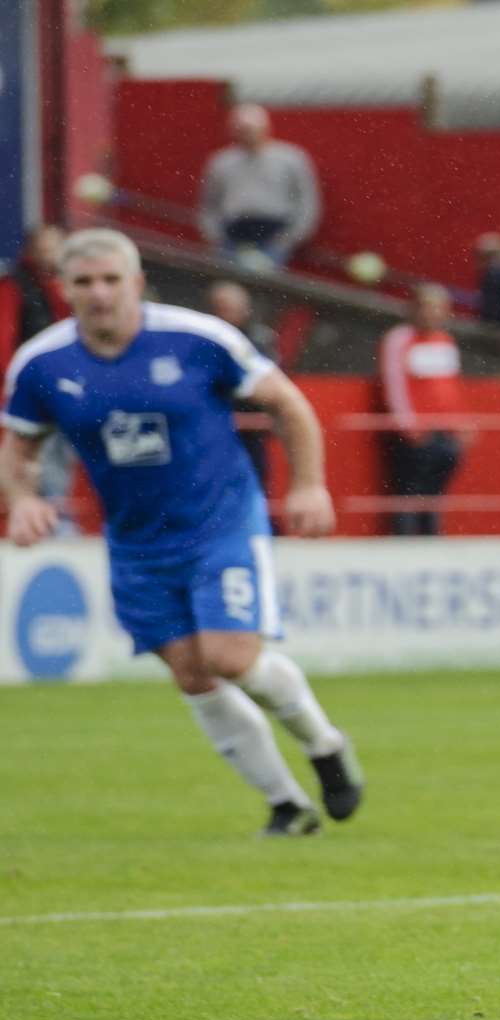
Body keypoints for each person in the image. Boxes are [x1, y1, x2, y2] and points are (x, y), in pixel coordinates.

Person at [1, 229, 363, 837]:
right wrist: (25, 497)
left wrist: (308, 484)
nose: (99, 293)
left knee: (230, 658)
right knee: (193, 674)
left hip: (220, 523)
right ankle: (288, 806)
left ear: (137, 283)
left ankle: (324, 743)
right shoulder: (42, 363)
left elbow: (288, 403)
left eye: (111, 280)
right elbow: (21, 443)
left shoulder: (197, 339)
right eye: (84, 282)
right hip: (137, 540)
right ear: (64, 289)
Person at [1, 225, 78, 533]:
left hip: (67, 393)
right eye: (46, 247)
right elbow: (5, 341)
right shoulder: (15, 286)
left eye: (57, 247)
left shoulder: (65, 286)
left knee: (62, 463)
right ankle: (50, 527)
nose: (52, 254)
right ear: (32, 250)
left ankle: (58, 521)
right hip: (31, 394)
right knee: (34, 463)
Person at [378, 284, 469, 536]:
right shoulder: (400, 339)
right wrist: (409, 426)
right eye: (428, 307)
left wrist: (461, 423)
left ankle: (431, 541)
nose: (434, 314)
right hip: (417, 434)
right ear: (414, 309)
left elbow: (451, 387)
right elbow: (394, 384)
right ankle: (406, 544)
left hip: (446, 433)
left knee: (434, 495)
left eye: (440, 308)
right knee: (409, 492)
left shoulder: (445, 340)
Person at [198, 104, 321, 270]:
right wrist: (217, 237)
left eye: (250, 129)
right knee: (233, 286)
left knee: (266, 286)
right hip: (233, 235)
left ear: (265, 128)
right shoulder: (221, 163)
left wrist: (288, 239)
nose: (247, 134)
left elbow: (307, 202)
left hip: (274, 235)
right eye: (242, 129)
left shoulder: (291, 159)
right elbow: (208, 205)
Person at [208, 280, 279, 493]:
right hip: (212, 431)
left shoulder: (259, 340)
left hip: (250, 431)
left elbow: (269, 385)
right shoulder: (202, 340)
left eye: (230, 308)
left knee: (256, 489)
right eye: (220, 308)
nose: (226, 314)